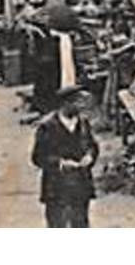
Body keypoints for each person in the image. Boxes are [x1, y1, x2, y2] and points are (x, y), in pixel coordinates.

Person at [31, 86, 99, 228]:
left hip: (80, 184)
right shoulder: (47, 127)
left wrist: (90, 156)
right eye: (76, 102)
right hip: (56, 187)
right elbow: (38, 157)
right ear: (65, 103)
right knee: (57, 224)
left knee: (80, 224)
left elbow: (93, 146)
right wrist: (61, 163)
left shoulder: (83, 124)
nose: (80, 105)